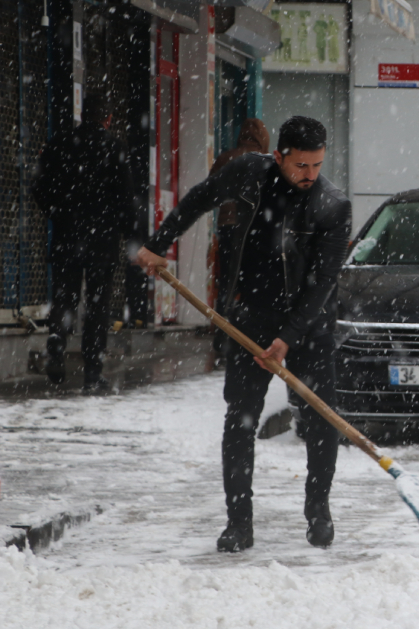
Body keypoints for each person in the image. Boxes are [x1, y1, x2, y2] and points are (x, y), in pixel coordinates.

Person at [134, 116, 351, 553]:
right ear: (279, 156)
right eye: (301, 166)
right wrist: (159, 245)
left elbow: (323, 281)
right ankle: (239, 521)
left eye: (317, 165)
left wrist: (288, 336)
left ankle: (318, 509)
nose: (310, 175)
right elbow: (197, 201)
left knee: (320, 417)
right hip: (251, 315)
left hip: (308, 324)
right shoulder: (247, 173)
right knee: (240, 419)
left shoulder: (332, 205)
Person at [34, 93, 134, 394]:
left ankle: (56, 345)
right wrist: (126, 233)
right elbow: (125, 199)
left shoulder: (59, 143)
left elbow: (39, 187)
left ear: (82, 114)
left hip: (67, 237)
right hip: (101, 244)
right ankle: (92, 374)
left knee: (65, 298)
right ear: (108, 118)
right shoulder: (115, 148)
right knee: (96, 307)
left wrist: (57, 213)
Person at [209, 119, 271, 359]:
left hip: (228, 227)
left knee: (227, 283)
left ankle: (222, 338)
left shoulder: (226, 158)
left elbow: (211, 190)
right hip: (254, 229)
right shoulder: (266, 163)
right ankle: (248, 338)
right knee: (253, 285)